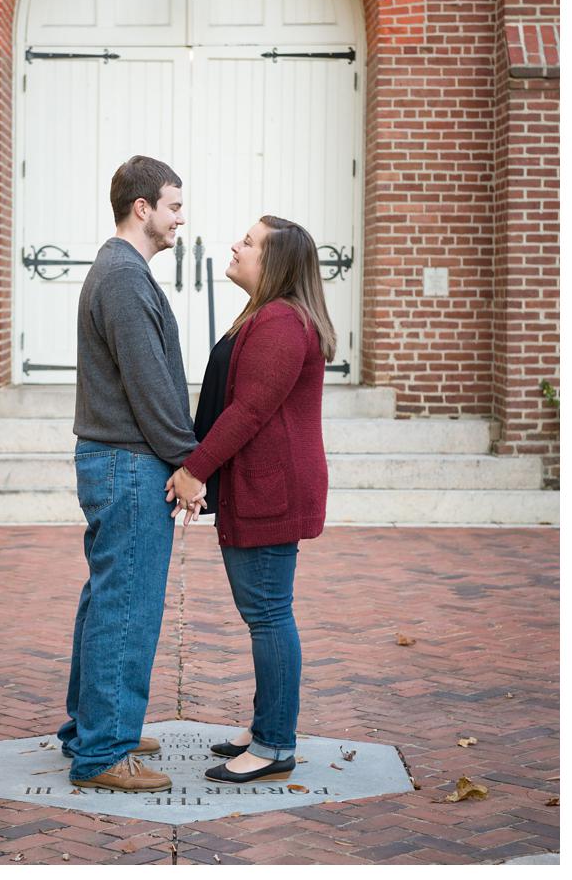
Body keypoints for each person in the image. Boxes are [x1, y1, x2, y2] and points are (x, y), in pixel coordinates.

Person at [165, 217, 333, 785]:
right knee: (265, 612)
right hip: (263, 484)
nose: (235, 246)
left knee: (267, 613)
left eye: (249, 243)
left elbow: (250, 411)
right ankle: (269, 723)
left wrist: (194, 471)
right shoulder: (269, 315)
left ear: (277, 263)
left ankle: (275, 743)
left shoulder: (282, 322)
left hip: (273, 488)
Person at [56, 155, 196, 793]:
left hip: (118, 460)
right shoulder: (122, 276)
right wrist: (190, 462)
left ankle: (92, 727)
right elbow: (150, 387)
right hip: (129, 463)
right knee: (127, 604)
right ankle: (104, 753)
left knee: (107, 597)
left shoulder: (121, 272)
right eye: (172, 205)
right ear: (142, 207)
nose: (179, 218)